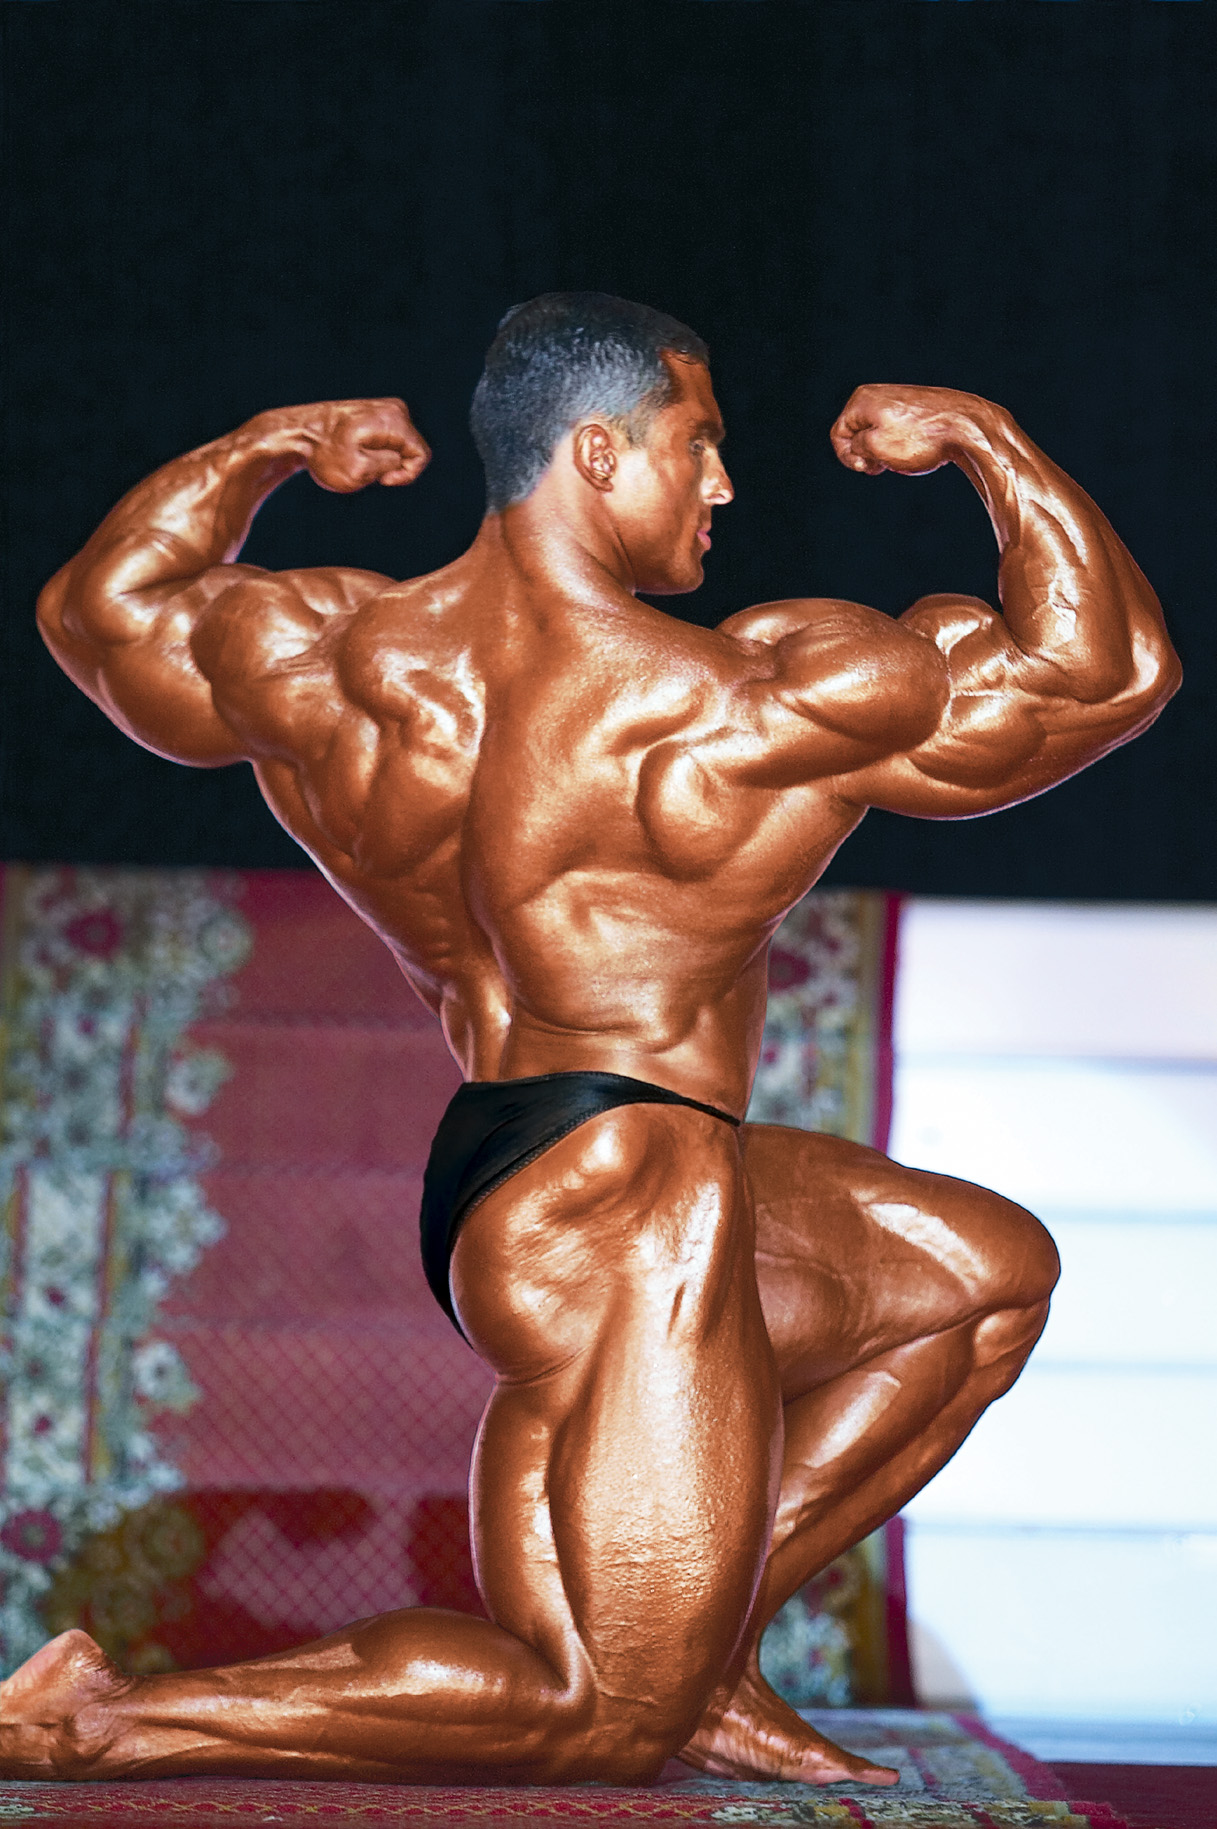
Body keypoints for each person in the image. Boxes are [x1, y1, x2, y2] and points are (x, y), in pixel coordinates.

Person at [10, 294, 1177, 1787]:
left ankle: (707, 1653)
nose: (723, 484)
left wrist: (267, 449)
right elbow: (1103, 674)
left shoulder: (332, 661)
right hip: (630, 1191)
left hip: (519, 1160)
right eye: (700, 444)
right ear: (600, 450)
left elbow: (102, 613)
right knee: (596, 1715)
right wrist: (983, 442)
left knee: (980, 1276)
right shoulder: (736, 705)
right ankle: (99, 1718)